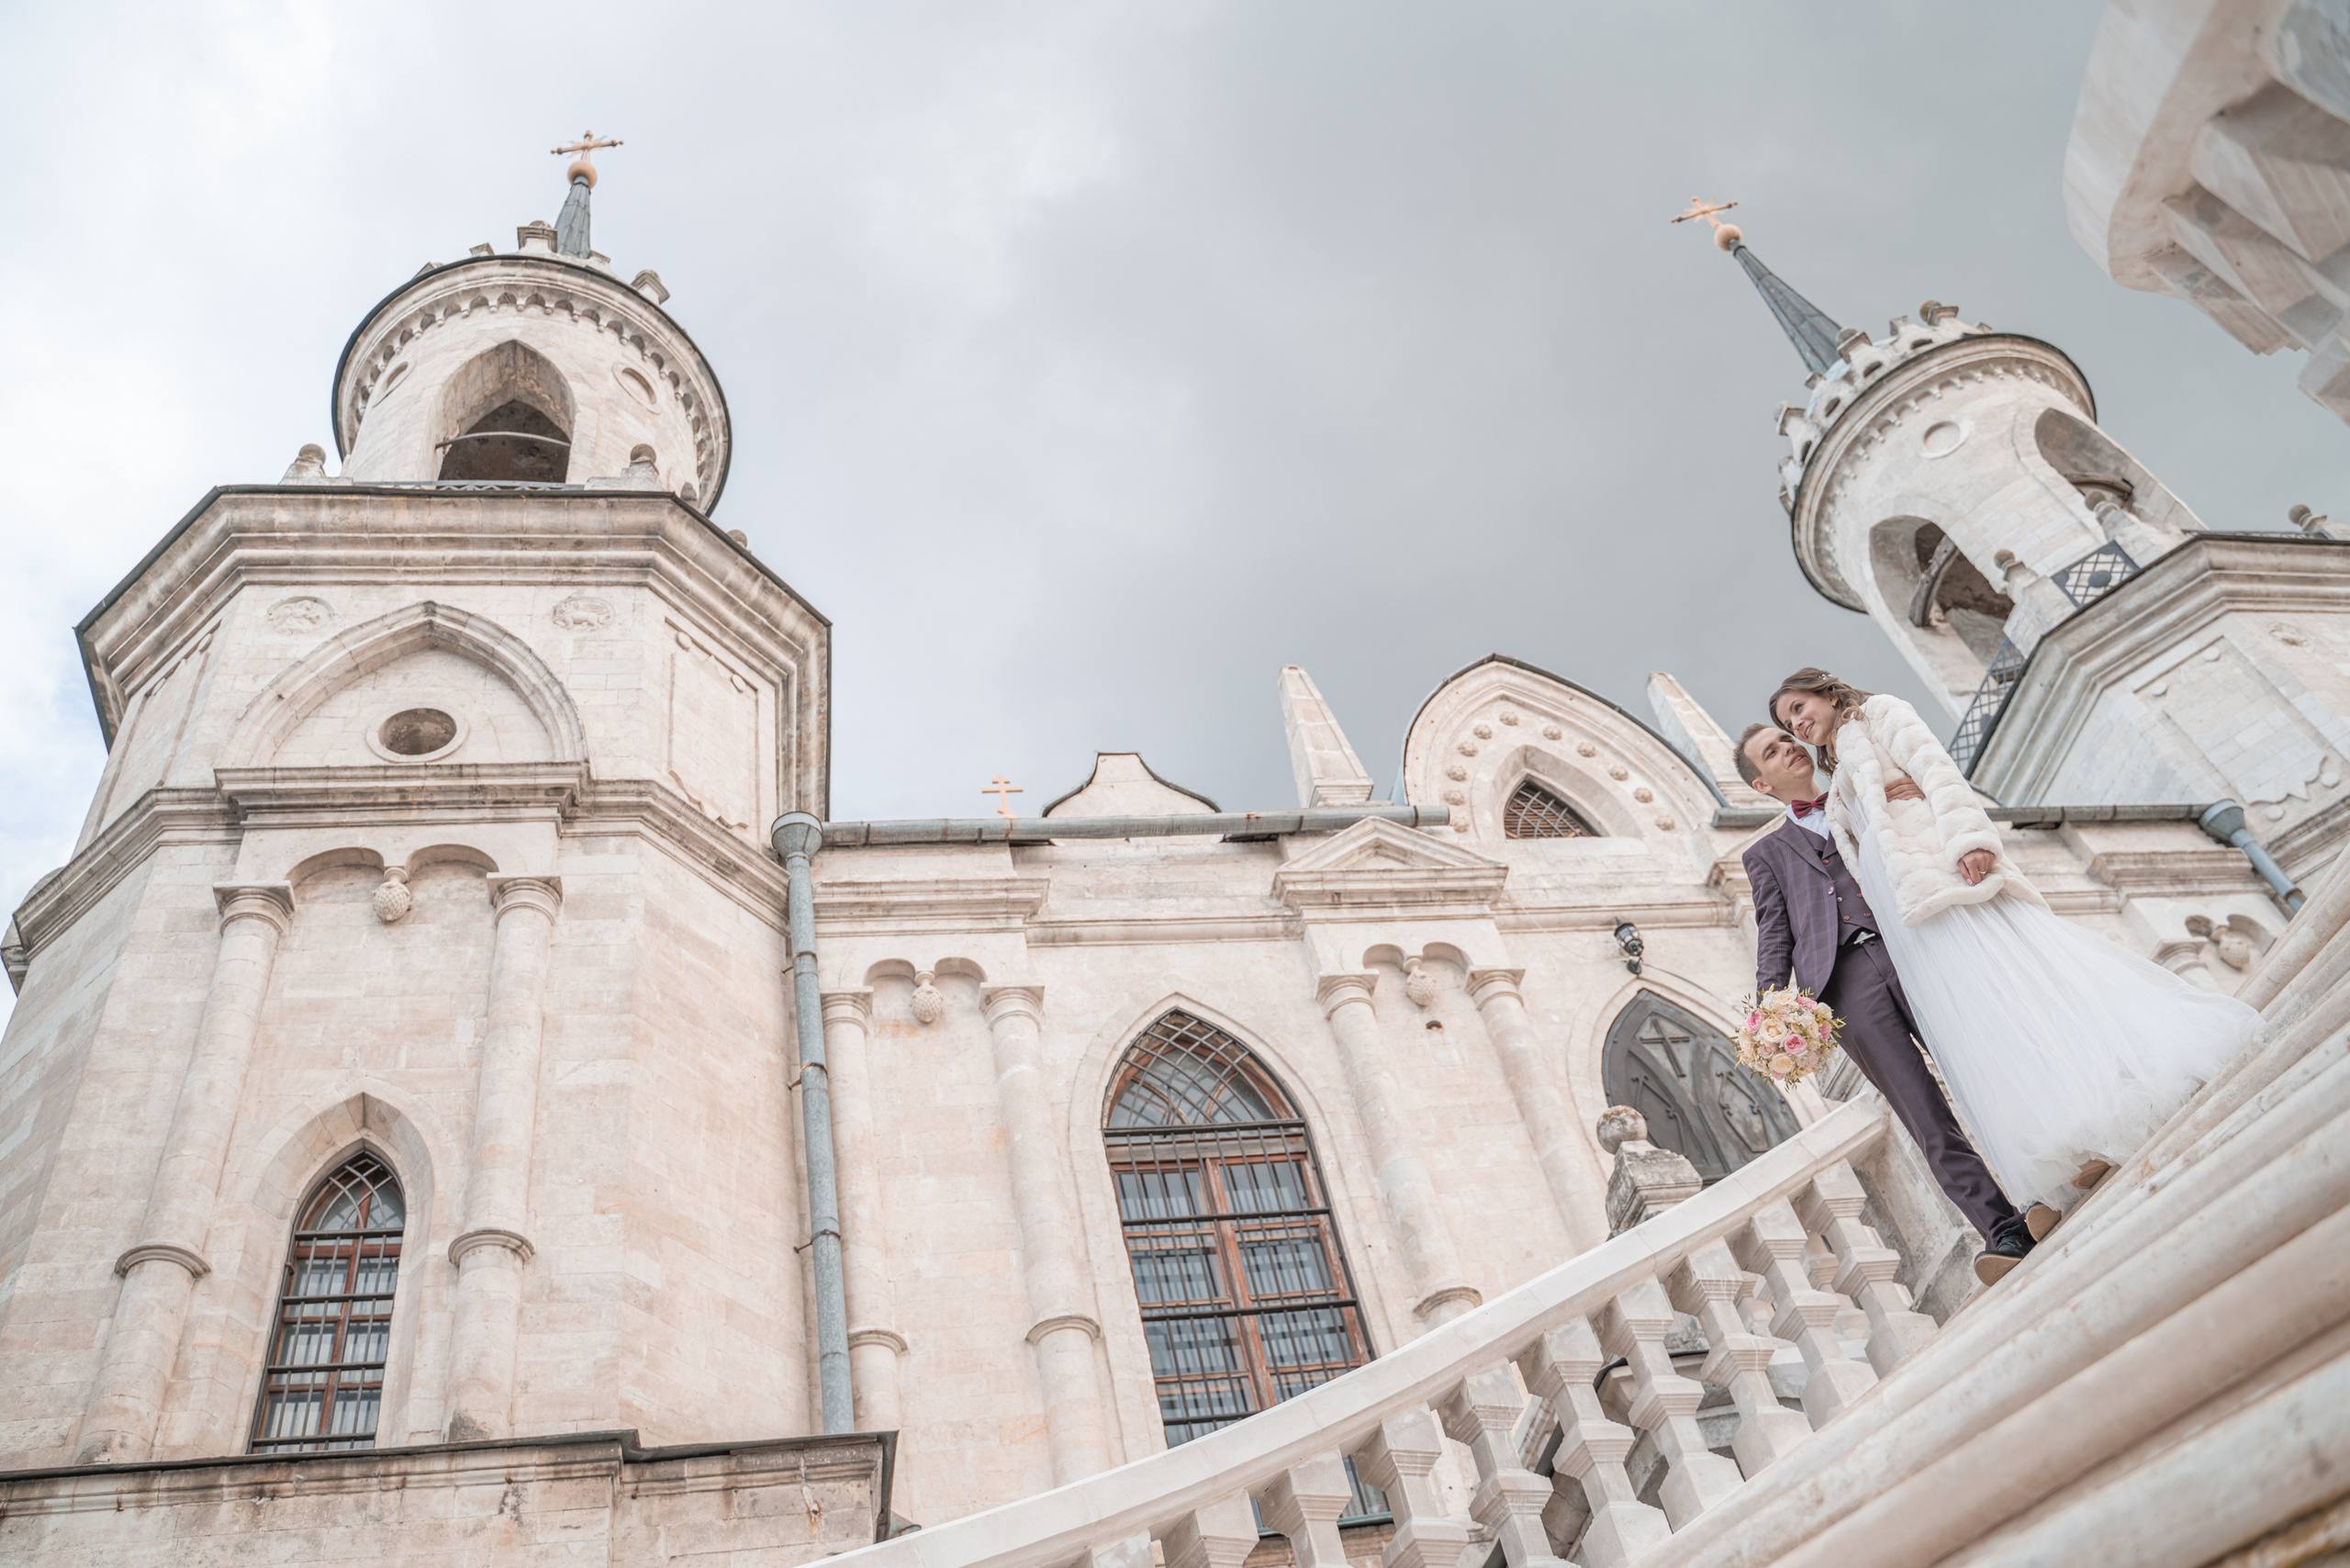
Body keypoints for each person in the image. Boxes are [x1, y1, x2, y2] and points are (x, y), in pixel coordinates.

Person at [1769, 666, 2259, 1233]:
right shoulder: (1836, 778)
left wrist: (1969, 841)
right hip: (1916, 908)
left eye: (1801, 710)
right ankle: (2080, 1132)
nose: (1800, 725)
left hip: (1947, 873)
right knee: (1994, 1017)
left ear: (1830, 695)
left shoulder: (1879, 715)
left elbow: (1939, 771)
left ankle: (2127, 1090)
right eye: (1788, 722)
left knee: (2026, 983)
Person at [1737, 721, 2044, 1283]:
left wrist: (1908, 790)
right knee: (1921, 1111)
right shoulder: (1766, 854)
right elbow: (1774, 932)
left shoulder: (1860, 795)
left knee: (1987, 1069)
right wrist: (1768, 1009)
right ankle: (2000, 1226)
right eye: (1771, 752)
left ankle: (2048, 1180)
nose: (1788, 748)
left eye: (1788, 740)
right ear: (1761, 784)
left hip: (1917, 946)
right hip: (1844, 985)